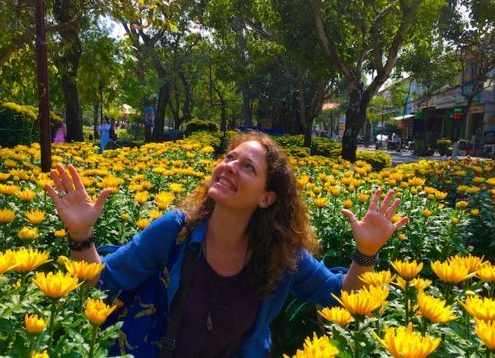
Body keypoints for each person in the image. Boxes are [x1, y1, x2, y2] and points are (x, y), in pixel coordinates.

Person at [44, 132, 408, 357]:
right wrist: (80, 235)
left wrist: (366, 254)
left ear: (266, 198)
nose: (229, 166)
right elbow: (102, 283)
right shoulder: (175, 231)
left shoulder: (282, 256)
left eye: (247, 167)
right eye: (229, 158)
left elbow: (342, 296)